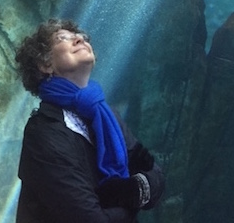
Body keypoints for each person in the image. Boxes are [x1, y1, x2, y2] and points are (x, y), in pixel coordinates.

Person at [15, 18, 165, 223]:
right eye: (62, 39)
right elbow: (88, 218)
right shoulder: (43, 132)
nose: (79, 39)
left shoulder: (107, 115)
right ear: (45, 64)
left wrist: (118, 194)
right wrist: (131, 204)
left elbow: (155, 174)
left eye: (81, 37)